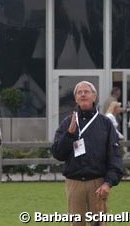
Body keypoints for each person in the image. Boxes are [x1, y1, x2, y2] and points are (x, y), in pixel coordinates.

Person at [51, 81, 123, 226]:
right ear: (76, 98)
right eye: (79, 92)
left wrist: (108, 183)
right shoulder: (67, 123)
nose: (83, 94)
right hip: (74, 184)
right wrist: (69, 134)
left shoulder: (105, 124)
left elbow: (114, 157)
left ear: (94, 97)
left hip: (98, 183)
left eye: (86, 91)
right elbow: (58, 153)